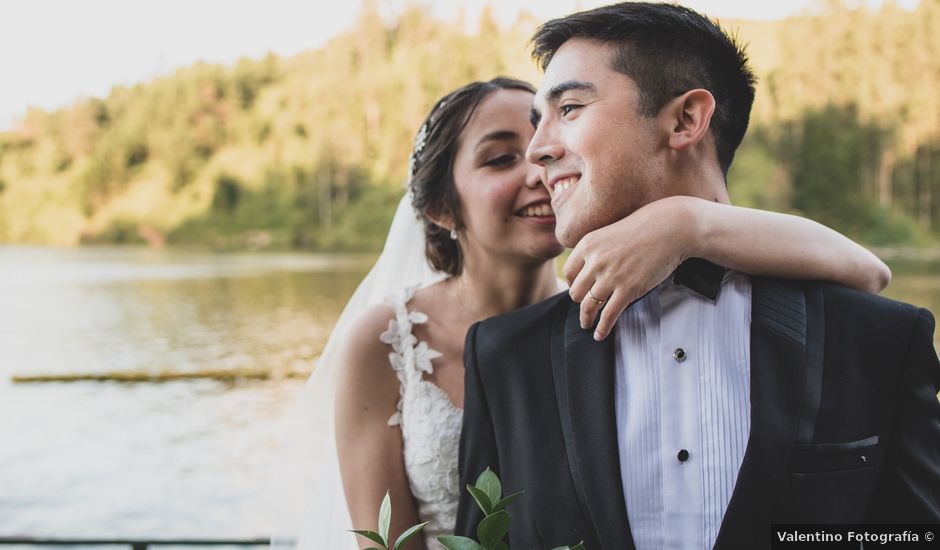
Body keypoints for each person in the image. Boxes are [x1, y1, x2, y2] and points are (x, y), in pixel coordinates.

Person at [318, 76, 893, 549]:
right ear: (443, 207)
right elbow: (386, 541)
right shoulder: (388, 340)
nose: (537, 171)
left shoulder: (622, 303)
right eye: (499, 160)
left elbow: (867, 272)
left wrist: (686, 224)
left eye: (547, 139)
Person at [455, 4, 940, 550]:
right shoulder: (504, 358)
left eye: (568, 108)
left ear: (686, 120)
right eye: (535, 122)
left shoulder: (880, 339)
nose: (538, 150)